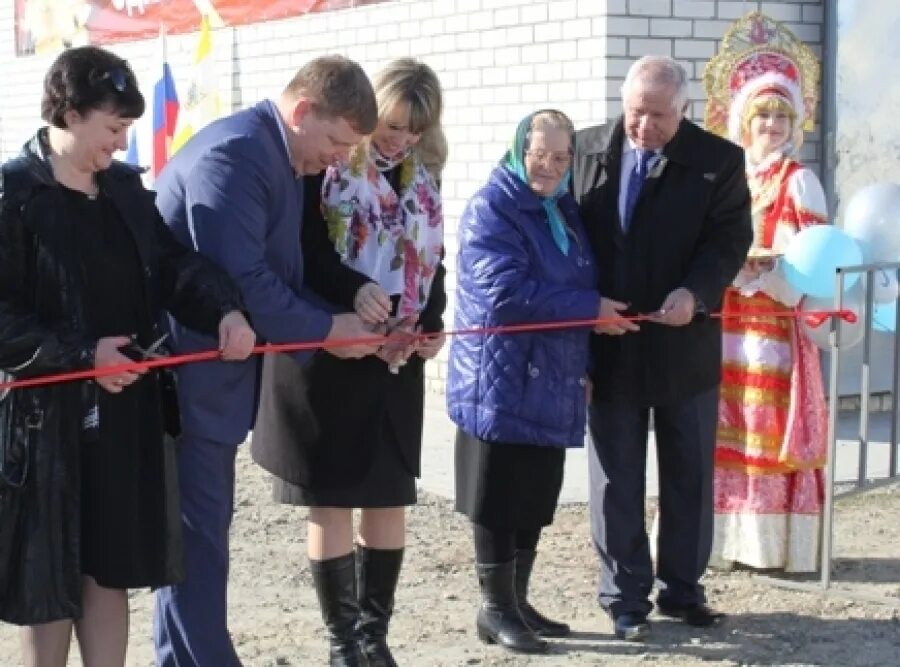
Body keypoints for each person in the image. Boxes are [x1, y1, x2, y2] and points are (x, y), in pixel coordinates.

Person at [0, 46, 254, 667]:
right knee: (50, 580)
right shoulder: (14, 195)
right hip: (45, 427)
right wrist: (85, 355)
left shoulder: (125, 191)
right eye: (112, 128)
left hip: (124, 419)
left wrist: (224, 308)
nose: (119, 144)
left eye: (126, 131)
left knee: (109, 569)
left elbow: (172, 265)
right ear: (70, 112)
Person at [152, 55, 381, 666]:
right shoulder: (238, 155)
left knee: (198, 535)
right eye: (335, 141)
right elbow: (246, 280)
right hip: (189, 375)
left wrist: (349, 303)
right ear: (302, 111)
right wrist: (330, 329)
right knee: (196, 540)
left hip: (218, 375)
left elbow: (294, 266)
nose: (338, 159)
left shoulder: (282, 155)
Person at [250, 58, 446, 667]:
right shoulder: (324, 168)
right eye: (392, 123)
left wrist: (432, 323)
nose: (400, 139)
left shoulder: (424, 176)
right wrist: (352, 289)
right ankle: (342, 645)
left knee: (388, 498)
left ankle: (374, 638)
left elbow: (435, 260)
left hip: (394, 360)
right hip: (330, 352)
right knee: (331, 501)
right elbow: (305, 253)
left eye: (415, 129)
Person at [571, 55, 753, 640]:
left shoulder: (718, 161)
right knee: (615, 477)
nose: (643, 127)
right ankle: (624, 595)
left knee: (688, 475)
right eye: (634, 113)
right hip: (610, 341)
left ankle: (682, 590)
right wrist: (583, 312)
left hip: (685, 343)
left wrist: (696, 294)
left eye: (657, 116)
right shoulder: (583, 148)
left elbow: (730, 240)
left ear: (684, 111)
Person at [448, 109, 613, 654]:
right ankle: (494, 608)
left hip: (553, 375)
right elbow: (504, 295)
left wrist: (584, 359)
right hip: (500, 376)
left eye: (562, 156)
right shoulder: (492, 208)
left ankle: (516, 601)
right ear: (520, 150)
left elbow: (575, 276)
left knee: (534, 494)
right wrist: (592, 310)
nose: (549, 165)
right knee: (498, 496)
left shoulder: (559, 208)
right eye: (540, 154)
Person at [703, 12, 828, 573]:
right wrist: (731, 272)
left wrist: (770, 278)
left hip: (775, 322)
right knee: (730, 424)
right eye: (762, 114)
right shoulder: (733, 177)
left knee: (767, 428)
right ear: (743, 121)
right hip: (730, 319)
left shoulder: (799, 179)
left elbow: (815, 260)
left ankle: (778, 547)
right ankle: (733, 542)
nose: (772, 124)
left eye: (781, 114)